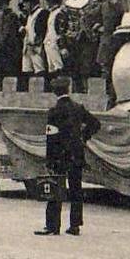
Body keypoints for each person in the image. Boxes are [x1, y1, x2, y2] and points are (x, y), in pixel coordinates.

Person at [35, 77, 101, 236]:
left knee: (55, 188)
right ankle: (75, 225)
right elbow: (95, 124)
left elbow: (51, 138)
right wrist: (83, 137)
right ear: (68, 89)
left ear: (54, 92)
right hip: (76, 154)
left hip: (59, 155)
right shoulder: (78, 108)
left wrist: (49, 159)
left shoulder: (54, 112)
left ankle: (52, 226)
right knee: (76, 190)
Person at [56, 0, 99, 93]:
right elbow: (60, 29)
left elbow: (97, 18)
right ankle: (75, 94)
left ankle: (88, 93)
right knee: (73, 71)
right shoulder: (65, 8)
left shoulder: (91, 3)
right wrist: (62, 46)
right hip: (71, 43)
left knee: (87, 69)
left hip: (88, 42)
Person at [19, 0, 48, 92]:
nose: (24, 6)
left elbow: (41, 32)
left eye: (25, 3)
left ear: (31, 1)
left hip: (36, 48)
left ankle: (41, 92)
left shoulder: (42, 13)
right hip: (27, 49)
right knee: (27, 71)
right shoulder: (29, 16)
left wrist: (36, 43)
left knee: (39, 70)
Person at [0, 0, 23, 84]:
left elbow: (7, 32)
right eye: (0, 5)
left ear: (6, 4)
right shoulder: (2, 16)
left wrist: (0, 44)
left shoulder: (11, 16)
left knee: (9, 70)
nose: (0, 7)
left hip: (9, 48)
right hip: (3, 48)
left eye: (1, 5)